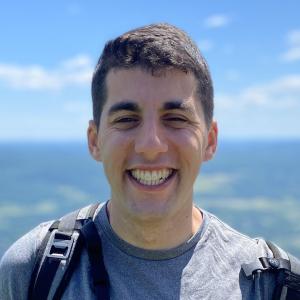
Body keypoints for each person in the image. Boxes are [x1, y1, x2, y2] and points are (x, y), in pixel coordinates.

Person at [0, 23, 298, 300]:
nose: (151, 145)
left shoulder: (273, 285)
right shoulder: (34, 269)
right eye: (127, 119)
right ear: (94, 140)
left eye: (175, 119)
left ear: (210, 140)